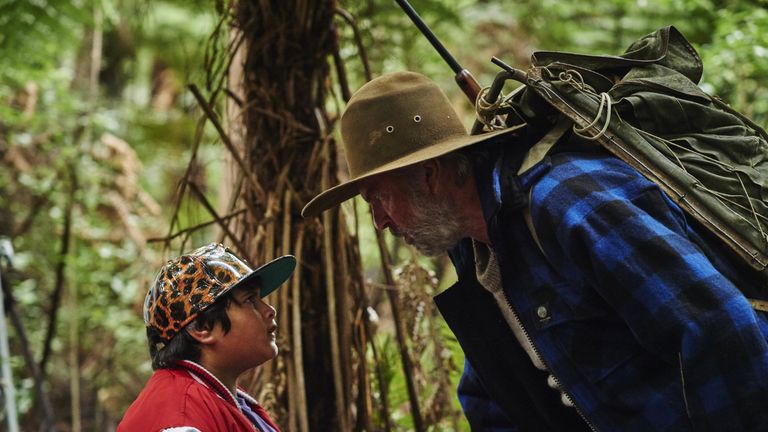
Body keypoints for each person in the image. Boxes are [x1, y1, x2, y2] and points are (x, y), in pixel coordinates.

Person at [301, 71, 768, 431]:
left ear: (430, 175)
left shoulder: (568, 203)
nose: (380, 222)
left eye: (378, 198)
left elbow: (717, 327)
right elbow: (494, 396)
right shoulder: (477, 252)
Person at [118, 243, 295, 432]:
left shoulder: (226, 400)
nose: (269, 310)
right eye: (250, 300)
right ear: (203, 327)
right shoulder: (182, 417)